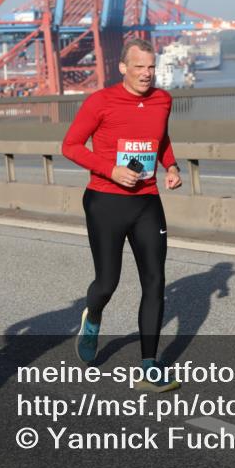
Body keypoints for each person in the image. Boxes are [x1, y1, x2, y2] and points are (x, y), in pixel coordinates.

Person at [62, 38, 183, 392]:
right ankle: (93, 316)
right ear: (123, 68)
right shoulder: (100, 101)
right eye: (139, 67)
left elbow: (160, 138)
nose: (146, 73)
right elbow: (69, 146)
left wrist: (171, 165)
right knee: (107, 283)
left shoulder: (163, 100)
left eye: (151, 67)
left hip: (146, 201)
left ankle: (149, 366)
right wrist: (111, 170)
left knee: (155, 281)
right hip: (105, 201)